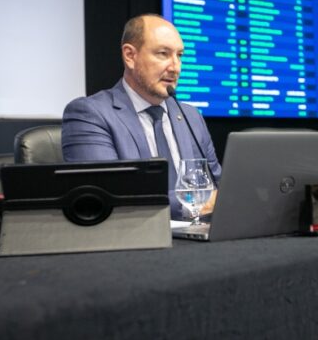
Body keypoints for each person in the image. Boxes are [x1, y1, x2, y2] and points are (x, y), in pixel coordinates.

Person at [62, 14, 222, 219]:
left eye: (179, 55)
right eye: (163, 54)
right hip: (130, 242)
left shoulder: (191, 117)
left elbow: (219, 186)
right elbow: (108, 195)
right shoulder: (90, 115)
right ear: (130, 56)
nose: (175, 67)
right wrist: (195, 204)